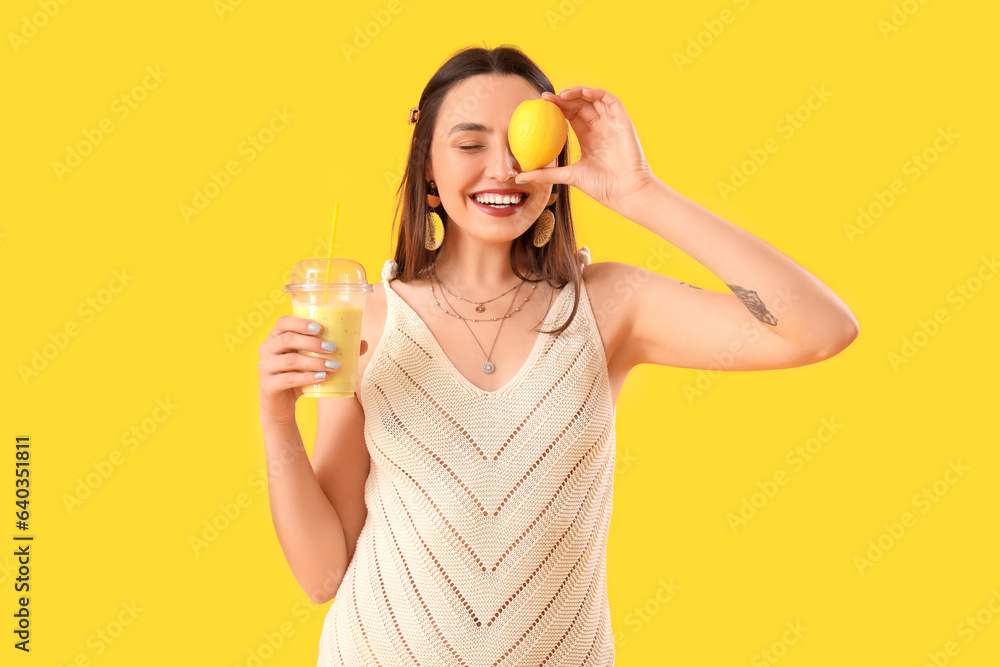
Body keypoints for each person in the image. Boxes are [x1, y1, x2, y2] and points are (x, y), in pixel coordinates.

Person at [257, 44, 859, 666]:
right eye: (470, 145)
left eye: (524, 143)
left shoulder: (611, 306)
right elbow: (324, 576)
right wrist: (277, 420)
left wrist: (641, 193)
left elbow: (819, 330)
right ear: (428, 171)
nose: (504, 169)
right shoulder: (369, 319)